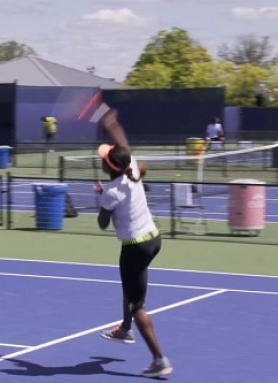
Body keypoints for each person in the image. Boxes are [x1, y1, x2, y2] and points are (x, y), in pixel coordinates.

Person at [95, 109, 173, 379]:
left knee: (138, 305)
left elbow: (102, 224)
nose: (103, 159)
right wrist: (113, 124)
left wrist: (102, 197)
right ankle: (125, 328)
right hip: (153, 239)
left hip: (135, 248)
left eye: (105, 158)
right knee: (131, 287)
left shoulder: (111, 192)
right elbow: (123, 143)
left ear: (109, 167)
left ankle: (160, 360)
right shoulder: (132, 167)